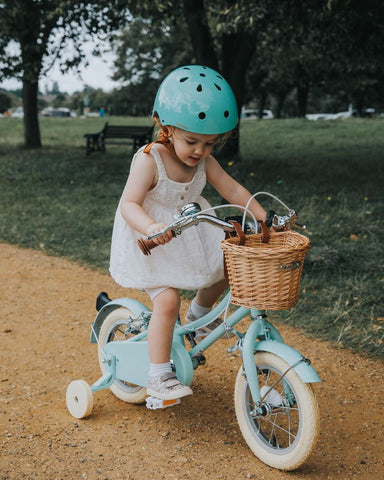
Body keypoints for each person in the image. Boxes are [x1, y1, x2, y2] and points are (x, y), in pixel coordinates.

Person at [109, 65, 268, 401]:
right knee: (166, 302)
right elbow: (129, 205)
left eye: (210, 144)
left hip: (191, 232)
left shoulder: (203, 162)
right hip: (152, 241)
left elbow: (232, 189)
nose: (200, 152)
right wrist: (152, 227)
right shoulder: (149, 160)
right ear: (166, 128)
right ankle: (158, 375)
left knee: (228, 262)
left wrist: (260, 213)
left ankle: (199, 316)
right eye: (191, 141)